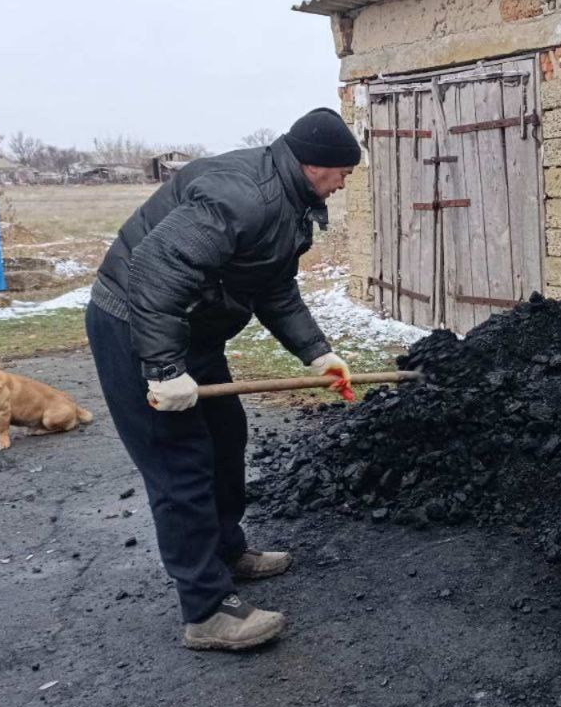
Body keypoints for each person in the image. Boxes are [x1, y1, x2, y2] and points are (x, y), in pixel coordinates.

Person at [86, 108, 361, 650]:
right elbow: (153, 274)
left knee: (225, 436)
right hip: (135, 325)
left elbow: (273, 288)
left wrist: (316, 353)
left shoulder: (290, 203)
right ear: (315, 164)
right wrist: (164, 370)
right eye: (343, 172)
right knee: (180, 462)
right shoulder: (243, 195)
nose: (346, 181)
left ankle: (226, 551)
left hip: (190, 330)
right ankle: (207, 610)